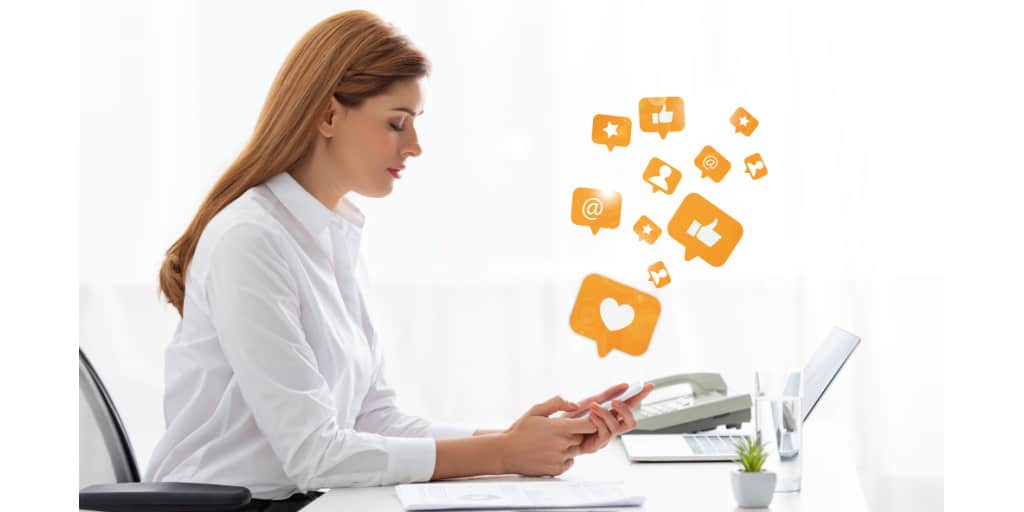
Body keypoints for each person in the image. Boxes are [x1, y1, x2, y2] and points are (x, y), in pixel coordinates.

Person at [147, 10, 653, 511]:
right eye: (396, 123)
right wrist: (501, 452)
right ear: (327, 116)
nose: (414, 147)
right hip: (232, 506)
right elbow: (314, 455)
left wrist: (527, 439)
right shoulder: (252, 241)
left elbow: (374, 418)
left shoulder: (331, 234)